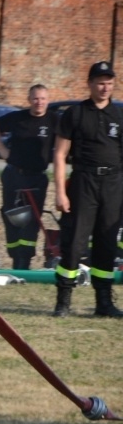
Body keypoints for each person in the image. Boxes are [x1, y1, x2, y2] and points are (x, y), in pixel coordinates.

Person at [52, 61, 123, 318]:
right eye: (100, 82)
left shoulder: (119, 115)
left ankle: (103, 302)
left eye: (109, 82)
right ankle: (63, 301)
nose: (105, 87)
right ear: (90, 84)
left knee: (106, 245)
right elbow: (60, 155)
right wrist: (60, 192)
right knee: (73, 245)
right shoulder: (75, 113)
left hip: (114, 185)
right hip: (84, 183)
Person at [0, 84, 58, 270]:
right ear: (29, 100)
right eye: (35, 98)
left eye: (43, 98)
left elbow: (67, 140)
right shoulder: (17, 118)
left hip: (37, 179)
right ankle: (14, 258)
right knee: (12, 218)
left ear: (48, 100)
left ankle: (24, 262)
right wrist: (3, 152)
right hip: (14, 176)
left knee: (32, 222)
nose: (39, 102)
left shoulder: (54, 120)